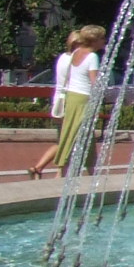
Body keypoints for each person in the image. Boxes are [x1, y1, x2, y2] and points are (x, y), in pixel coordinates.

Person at [38, 25, 104, 177]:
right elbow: (94, 82)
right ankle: (62, 170)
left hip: (72, 96)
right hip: (84, 98)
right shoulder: (92, 57)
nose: (104, 41)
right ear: (94, 40)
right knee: (75, 135)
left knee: (81, 134)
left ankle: (91, 171)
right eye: (102, 38)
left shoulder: (75, 52)